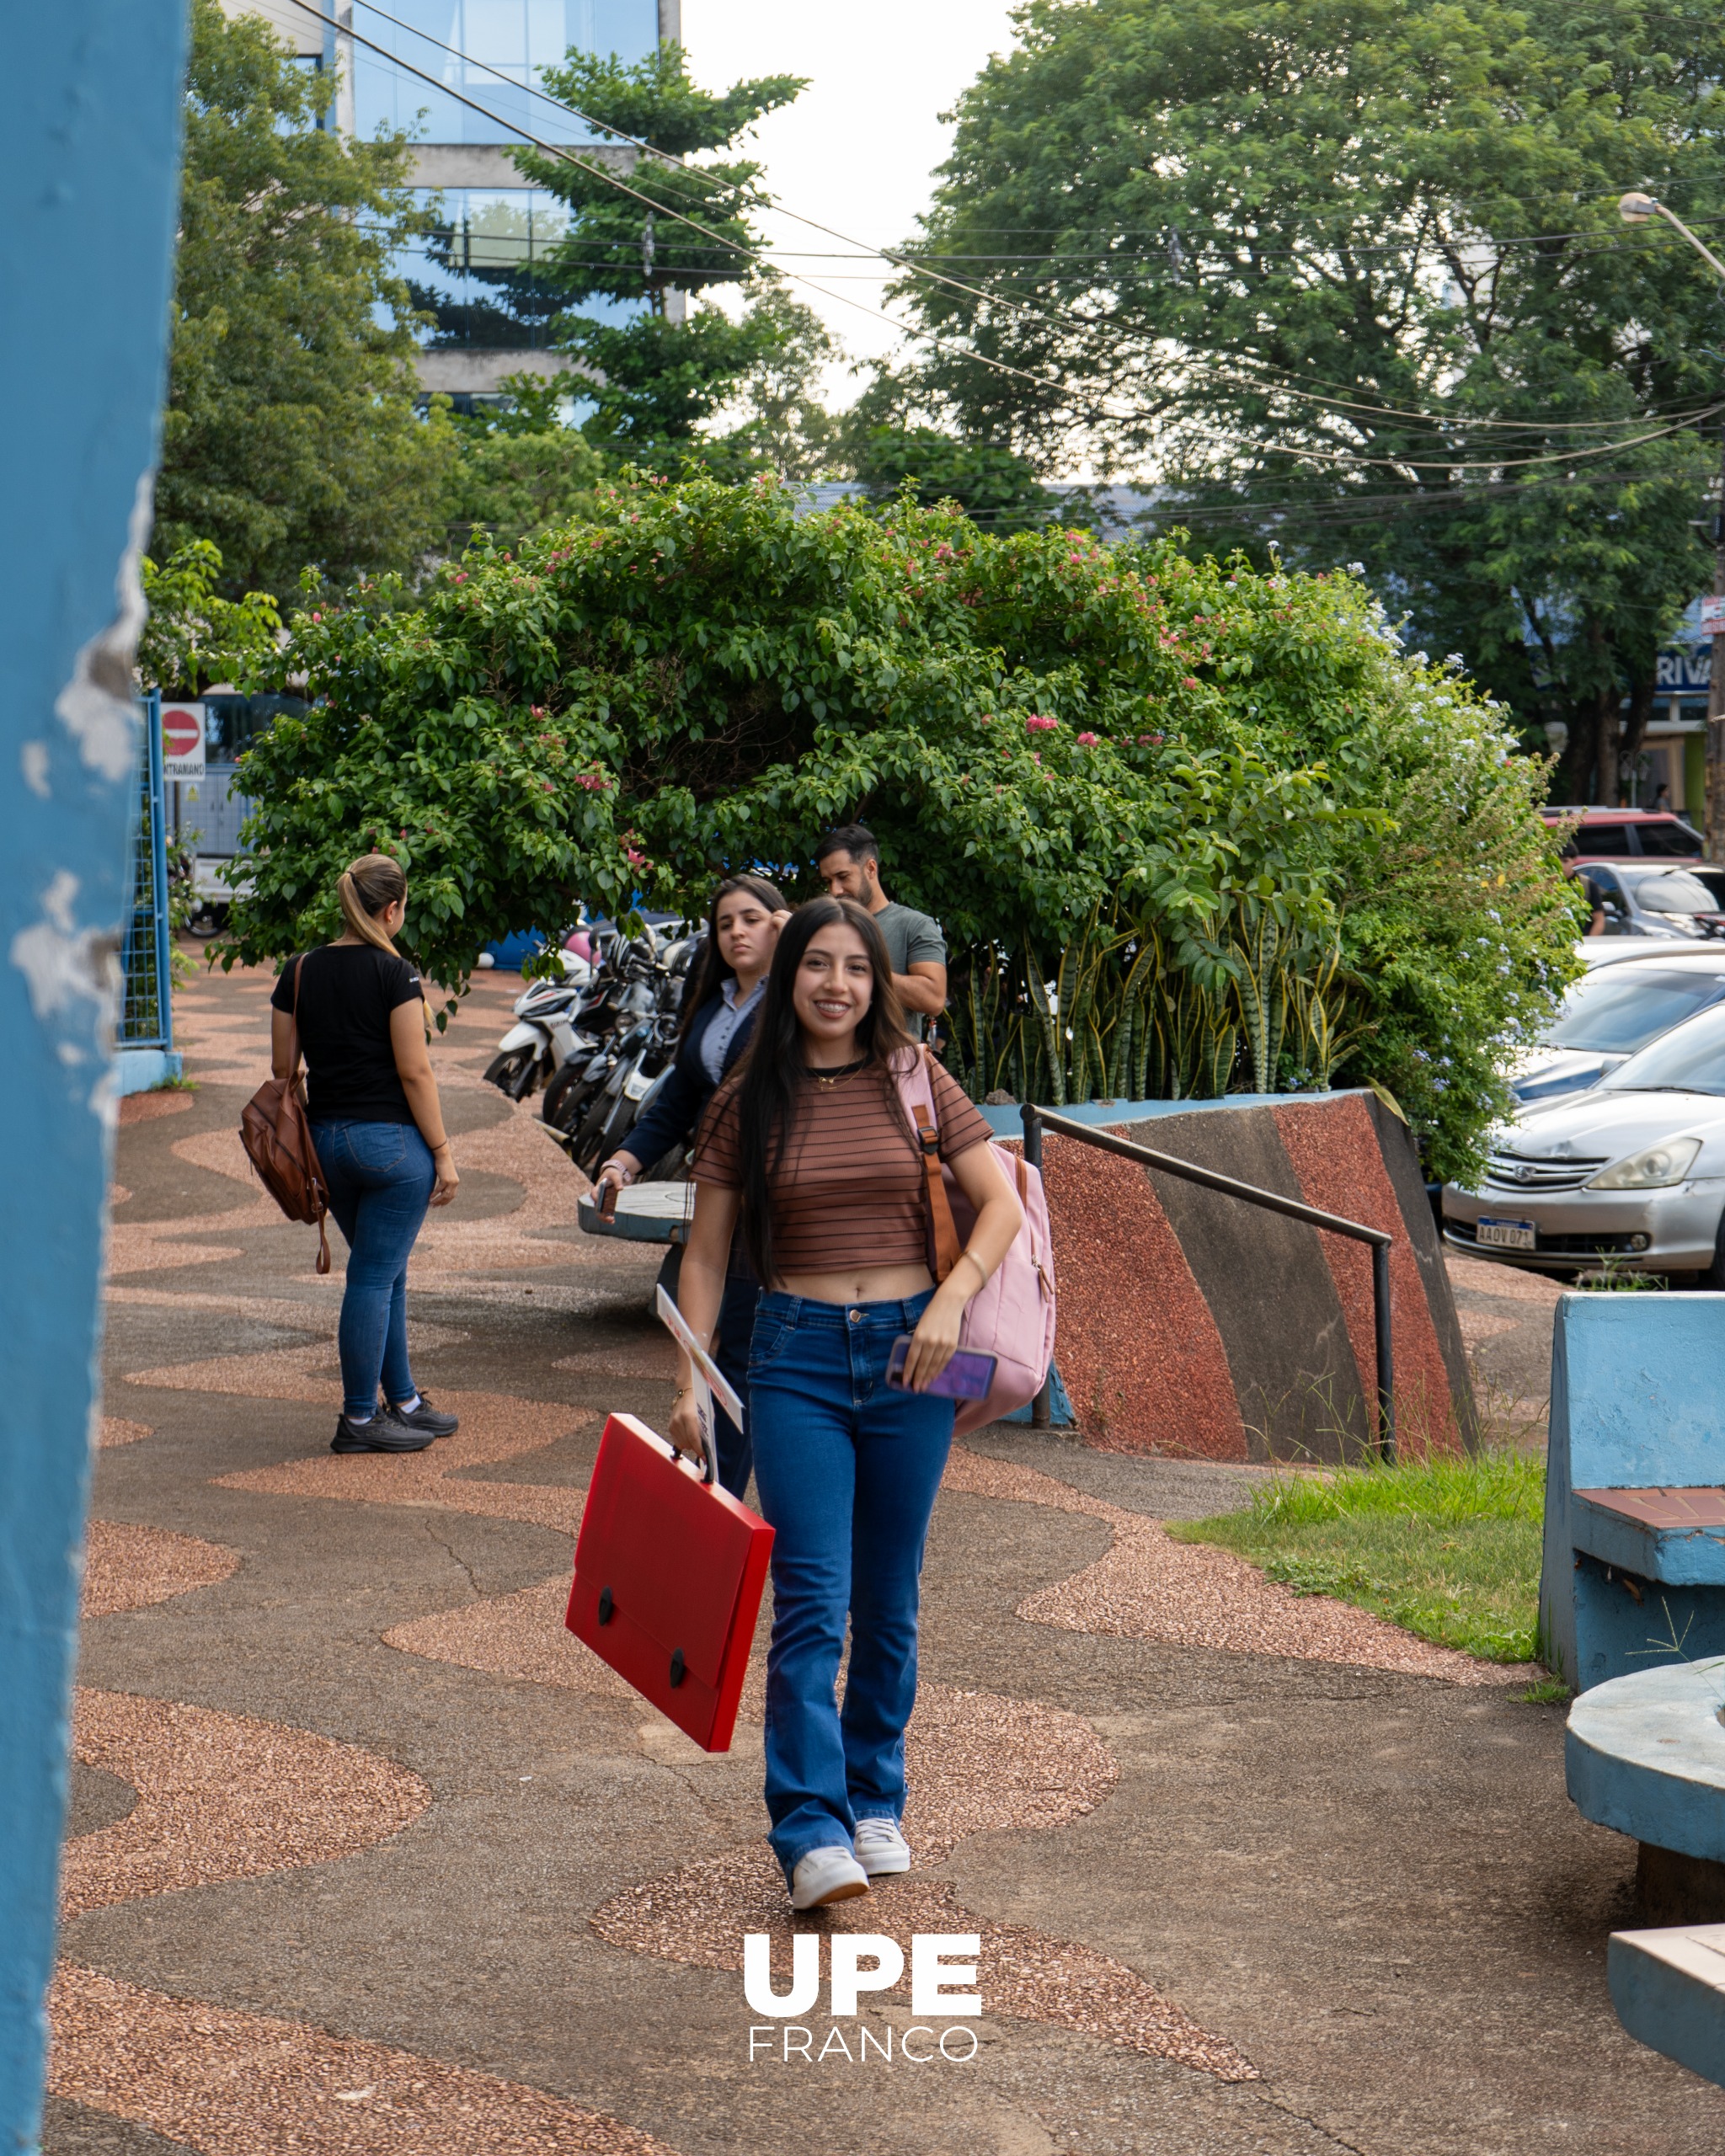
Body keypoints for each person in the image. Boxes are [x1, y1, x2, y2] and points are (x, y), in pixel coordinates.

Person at [671, 897, 1023, 1910]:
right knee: (811, 1600)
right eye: (817, 965)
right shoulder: (746, 1100)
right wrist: (688, 1377)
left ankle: (876, 1800)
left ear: (878, 981)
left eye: (856, 968)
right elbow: (706, 1255)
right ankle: (810, 1828)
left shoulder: (915, 1075)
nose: (837, 984)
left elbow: (998, 1204)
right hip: (794, 1357)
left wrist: (950, 1300)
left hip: (918, 1350)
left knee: (889, 1596)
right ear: (789, 976)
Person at [592, 873, 789, 1496]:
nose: (737, 932)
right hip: (720, 1187)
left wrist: (800, 942)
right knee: (722, 1334)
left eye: (752, 919)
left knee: (750, 1347)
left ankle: (726, 1491)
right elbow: (680, 1096)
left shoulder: (796, 997)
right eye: (725, 923)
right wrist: (624, 1161)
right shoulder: (716, 1001)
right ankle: (719, 1491)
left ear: (780, 923)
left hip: (777, 1196)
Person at [270, 853, 460, 1456]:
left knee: (384, 1269)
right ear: (392, 909)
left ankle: (402, 1401)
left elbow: (283, 1069)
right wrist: (443, 1152)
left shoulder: (300, 970)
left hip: (327, 1145)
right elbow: (415, 1071)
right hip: (391, 1150)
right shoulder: (395, 973)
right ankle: (358, 1416)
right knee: (374, 1276)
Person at [815, 824, 947, 1039]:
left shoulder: (914, 925)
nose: (835, 890)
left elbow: (933, 1000)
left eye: (843, 876)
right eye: (828, 881)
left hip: (890, 1058)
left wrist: (862, 971)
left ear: (871, 868)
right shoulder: (824, 926)